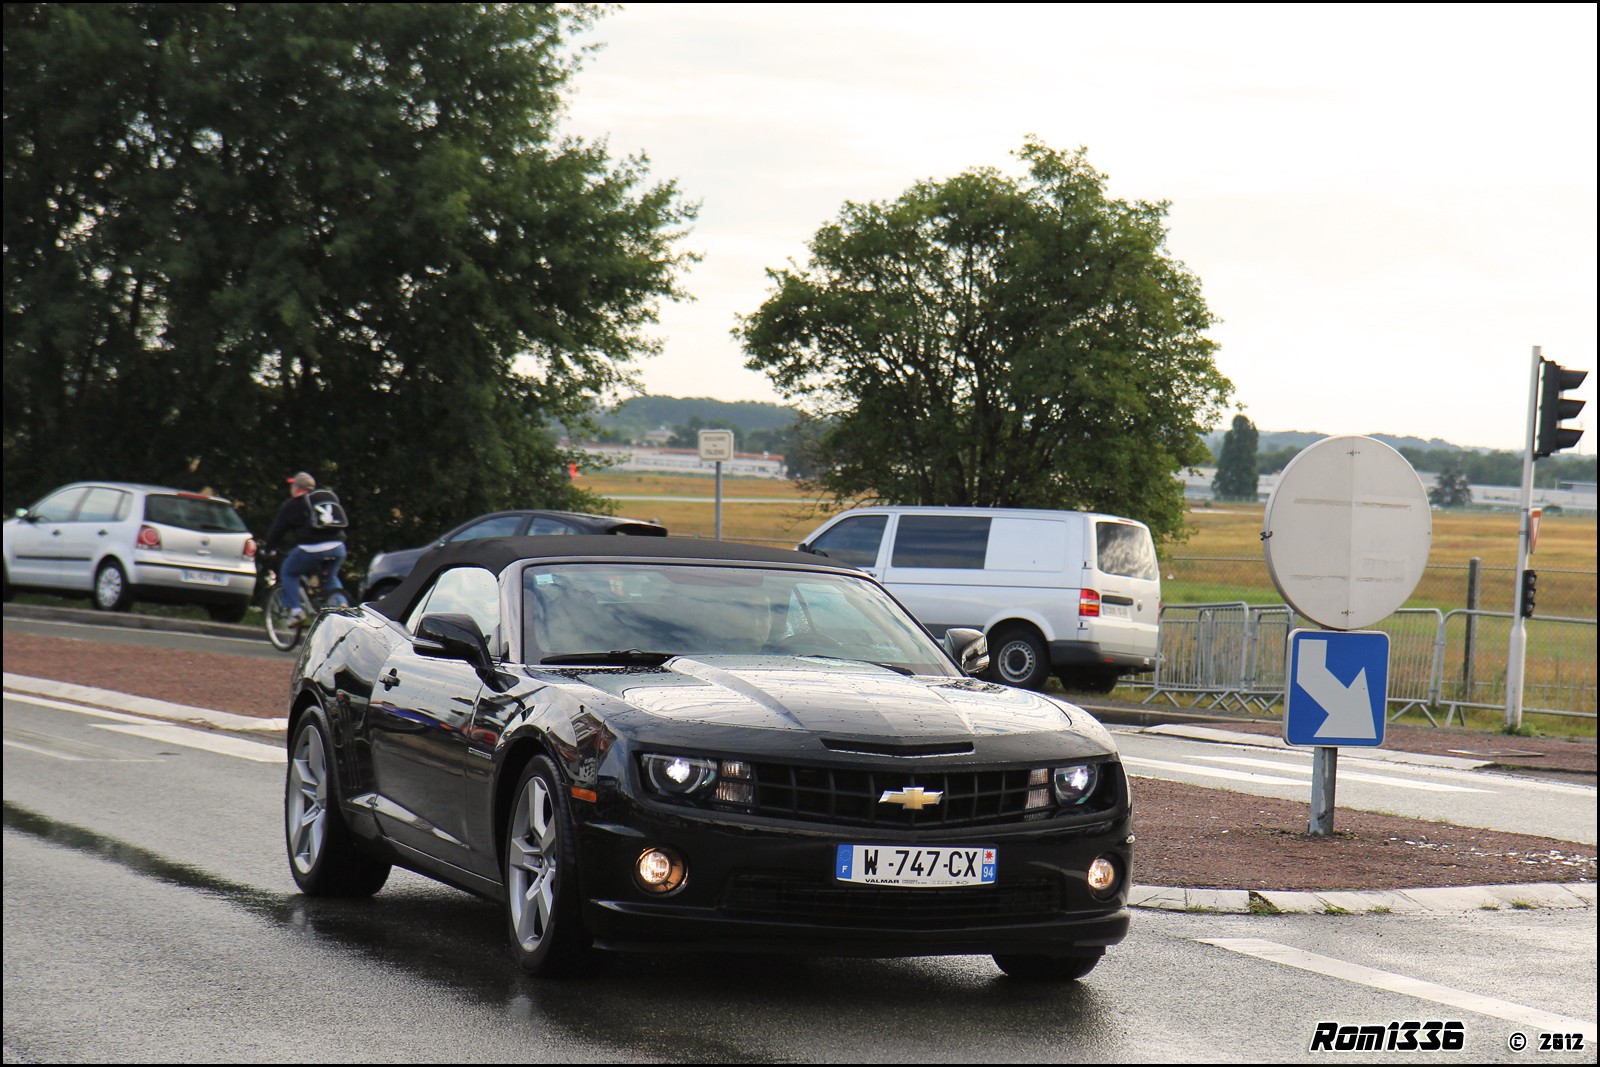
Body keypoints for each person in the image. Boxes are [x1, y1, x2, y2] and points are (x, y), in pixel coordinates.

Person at [264, 471, 347, 624]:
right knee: (330, 578)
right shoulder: (325, 499)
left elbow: (277, 530)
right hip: (338, 547)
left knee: (288, 572)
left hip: (312, 548)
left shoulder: (294, 504)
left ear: (296, 488)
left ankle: (296, 611)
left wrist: (269, 549)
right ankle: (342, 606)